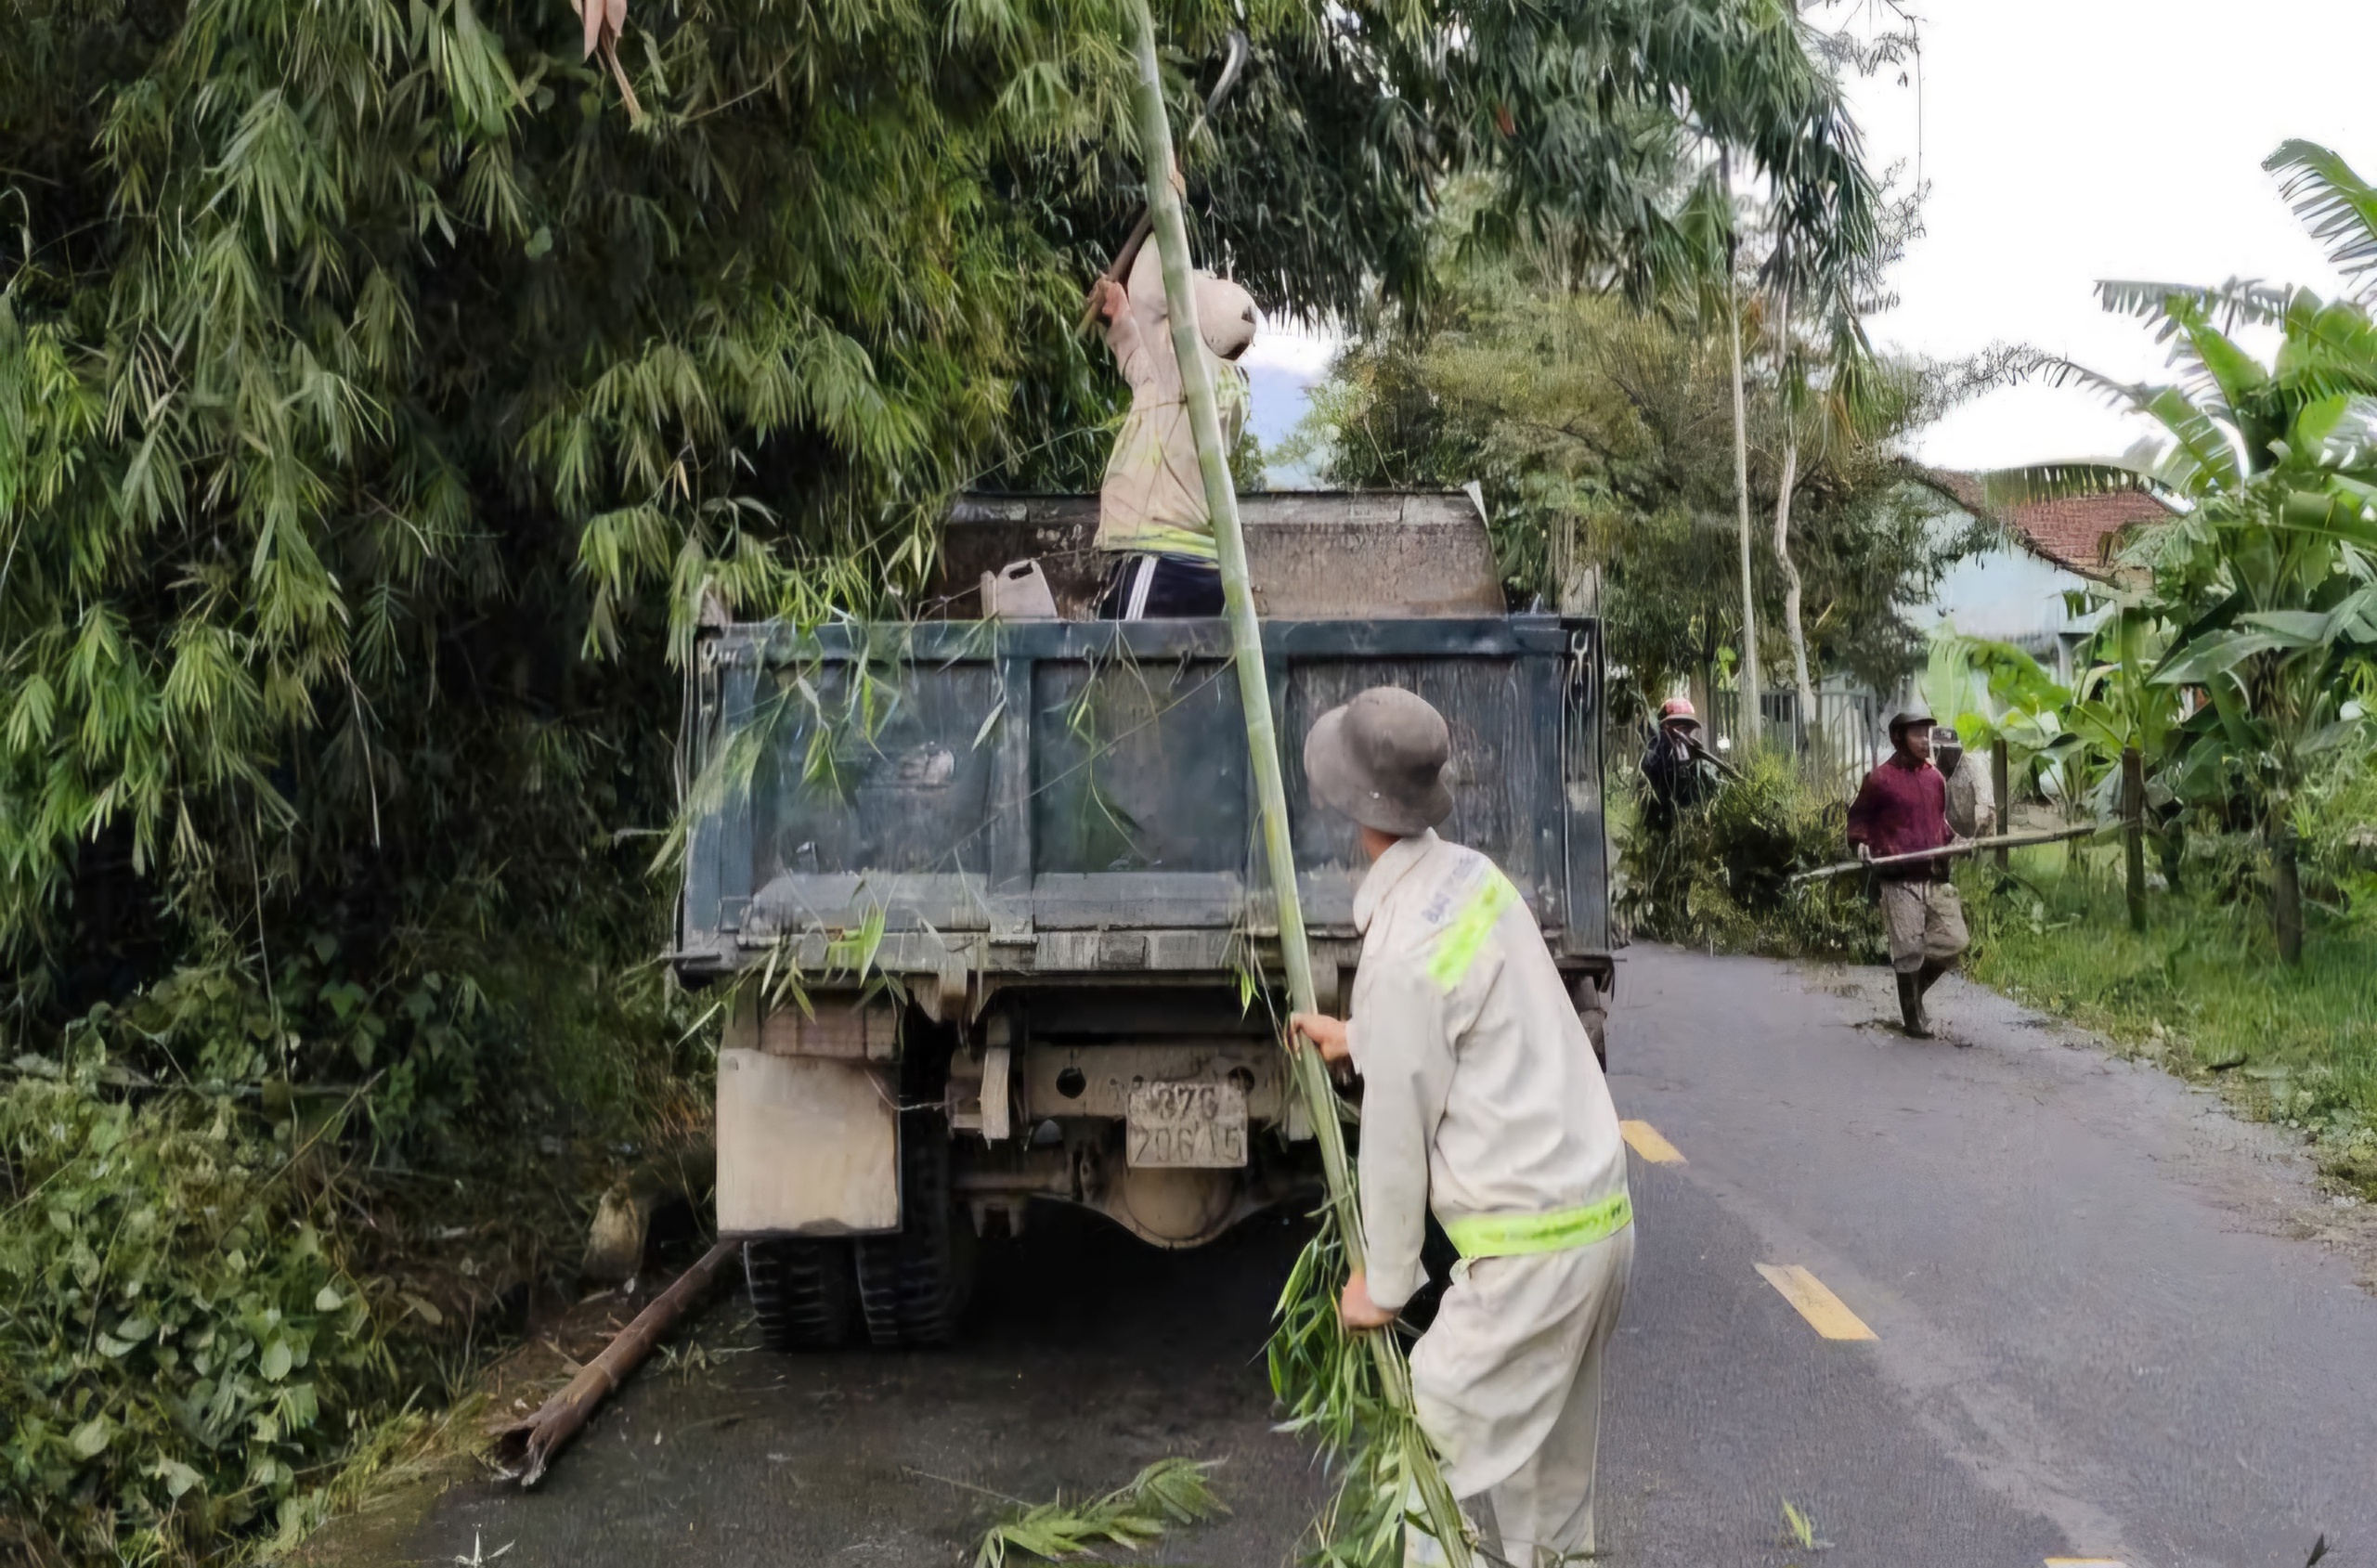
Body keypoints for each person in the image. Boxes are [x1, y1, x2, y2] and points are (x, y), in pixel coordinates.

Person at [1286, 687, 1632, 1568]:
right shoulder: (1472, 880)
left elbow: (1397, 1138)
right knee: (1545, 1494)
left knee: (1419, 1459)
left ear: (1349, 804)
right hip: (1595, 1227)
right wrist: (1364, 1038)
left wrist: (1386, 1281)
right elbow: (1474, 1020)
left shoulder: (1399, 956)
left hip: (1526, 1254)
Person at [1087, 242, 1258, 619]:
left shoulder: (1189, 368)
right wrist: (1119, 316)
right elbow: (1148, 373)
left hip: (1161, 561)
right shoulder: (1215, 380)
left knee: (1124, 678)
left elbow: (1150, 289)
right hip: (1189, 565)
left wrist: (1165, 206)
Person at [1846, 708, 1970, 1039]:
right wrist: (1860, 843)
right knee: (1908, 950)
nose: (1925, 741)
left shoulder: (1934, 779)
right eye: (1917, 734)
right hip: (1898, 878)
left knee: (1955, 940)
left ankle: (1916, 995)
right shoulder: (1879, 780)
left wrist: (1956, 841)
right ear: (1898, 738)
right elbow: (1858, 819)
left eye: (1927, 734)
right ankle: (1912, 1017)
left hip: (1933, 875)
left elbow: (1939, 826)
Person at [1639, 697, 1720, 830]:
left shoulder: (1693, 749)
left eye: (1687, 726)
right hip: (1663, 818)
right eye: (1676, 724)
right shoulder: (1656, 751)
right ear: (1663, 727)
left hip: (1688, 818)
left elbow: (1703, 785)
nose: (1682, 730)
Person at [1932, 724, 1997, 840]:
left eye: (1949, 750)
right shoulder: (1932, 767)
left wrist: (1978, 841)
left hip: (1974, 830)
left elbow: (1985, 806)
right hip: (1948, 832)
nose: (1944, 754)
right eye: (1939, 749)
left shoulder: (1974, 764)